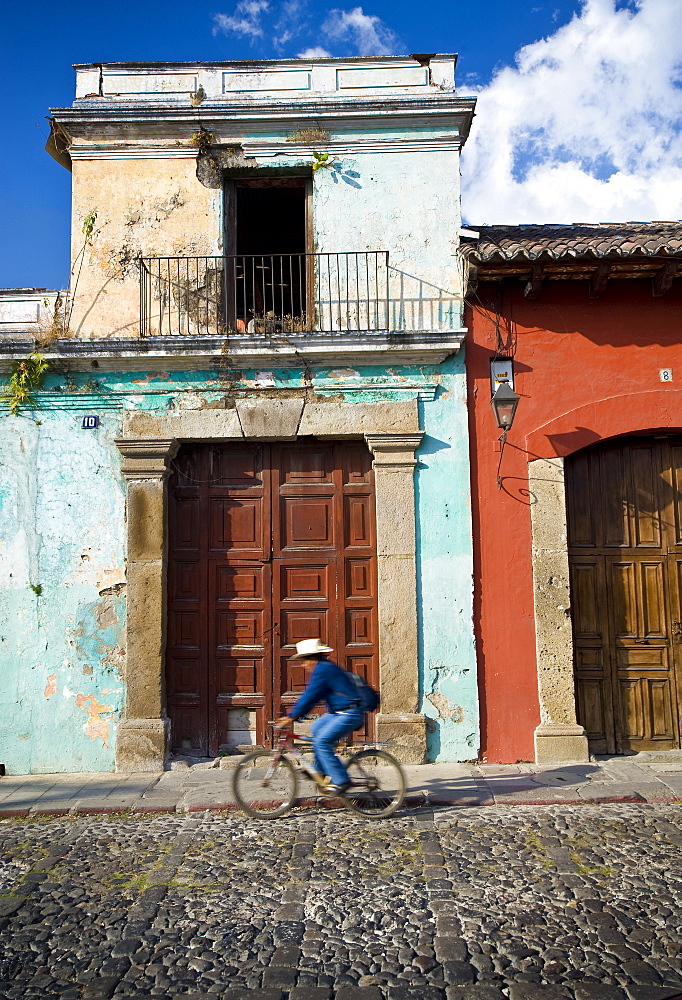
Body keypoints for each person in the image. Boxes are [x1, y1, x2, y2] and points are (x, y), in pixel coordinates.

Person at [275, 638, 364, 794]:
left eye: (304, 660)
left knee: (322, 742)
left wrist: (292, 716)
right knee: (316, 727)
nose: (303, 665)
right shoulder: (322, 668)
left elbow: (310, 695)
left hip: (349, 713)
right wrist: (297, 715)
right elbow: (313, 697)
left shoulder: (323, 670)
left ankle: (341, 780)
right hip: (338, 712)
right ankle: (319, 769)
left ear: (312, 658)